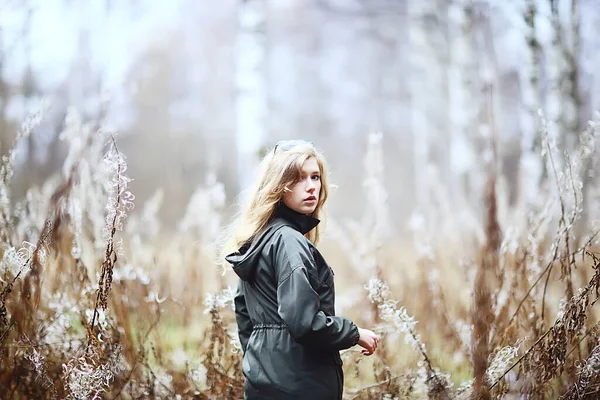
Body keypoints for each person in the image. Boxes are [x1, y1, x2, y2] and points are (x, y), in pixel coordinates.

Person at [222, 140, 380, 400]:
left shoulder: (260, 240)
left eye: (315, 177)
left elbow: (244, 314)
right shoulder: (288, 242)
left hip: (263, 384)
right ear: (279, 186)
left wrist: (262, 364)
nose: (311, 187)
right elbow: (305, 323)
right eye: (298, 178)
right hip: (302, 385)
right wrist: (355, 334)